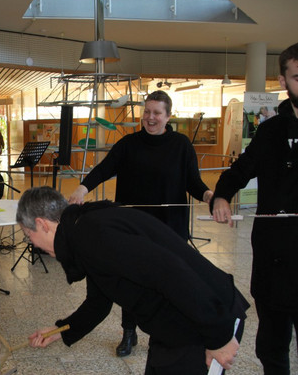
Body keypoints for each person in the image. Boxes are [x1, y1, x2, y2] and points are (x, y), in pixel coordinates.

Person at [17, 186, 249, 375]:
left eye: (29, 236)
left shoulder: (92, 235)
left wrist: (219, 336)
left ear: (42, 224)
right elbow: (98, 302)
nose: (34, 245)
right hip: (178, 323)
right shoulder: (83, 230)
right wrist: (60, 330)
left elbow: (169, 271)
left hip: (206, 319)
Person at [68, 90, 213, 357]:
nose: (150, 117)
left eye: (157, 113)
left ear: (168, 116)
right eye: (147, 112)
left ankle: (169, 334)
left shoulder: (181, 145)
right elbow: (104, 169)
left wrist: (209, 196)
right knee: (132, 280)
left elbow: (193, 182)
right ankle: (129, 332)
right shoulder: (128, 144)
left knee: (173, 282)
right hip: (134, 227)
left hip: (170, 228)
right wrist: (82, 188)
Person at [211, 42, 298, 375]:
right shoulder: (271, 130)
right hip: (274, 253)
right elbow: (241, 169)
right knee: (272, 345)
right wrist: (221, 195)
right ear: (283, 81)